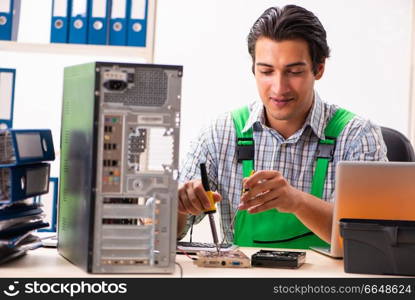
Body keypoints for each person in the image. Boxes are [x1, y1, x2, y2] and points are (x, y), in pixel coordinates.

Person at [177, 5, 387, 249]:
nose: (279, 88)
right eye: (266, 71)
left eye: (294, 71)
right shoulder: (220, 133)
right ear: (253, 69)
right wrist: (179, 206)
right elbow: (168, 233)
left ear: (318, 69)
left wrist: (297, 202)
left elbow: (372, 240)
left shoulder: (357, 136)